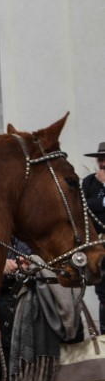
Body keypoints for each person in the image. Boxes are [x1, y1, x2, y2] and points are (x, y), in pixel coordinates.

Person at [81, 141, 105, 332]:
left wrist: (97, 203)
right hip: (99, 246)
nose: (103, 163)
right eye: (101, 159)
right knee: (103, 293)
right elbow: (83, 207)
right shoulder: (89, 182)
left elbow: (91, 204)